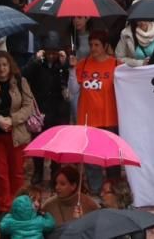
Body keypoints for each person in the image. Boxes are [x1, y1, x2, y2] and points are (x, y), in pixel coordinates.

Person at [0, 51, 37, 217]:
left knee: (16, 172)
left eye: (4, 65)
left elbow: (28, 106)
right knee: (0, 173)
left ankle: (18, 204)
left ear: (10, 66)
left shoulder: (20, 82)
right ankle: (5, 207)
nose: (1, 69)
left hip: (16, 133)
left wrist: (12, 119)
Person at [22, 31, 70, 186]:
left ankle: (56, 172)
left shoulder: (61, 65)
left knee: (57, 144)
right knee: (39, 141)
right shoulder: (37, 64)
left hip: (58, 110)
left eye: (53, 53)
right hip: (41, 109)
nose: (51, 56)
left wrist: (65, 65)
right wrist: (35, 61)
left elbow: (68, 81)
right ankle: (38, 171)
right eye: (48, 53)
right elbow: (24, 75)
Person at [75, 30, 119, 194]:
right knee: (92, 161)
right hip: (87, 119)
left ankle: (114, 192)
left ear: (105, 46)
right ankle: (95, 191)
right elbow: (73, 90)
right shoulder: (82, 64)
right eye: (91, 44)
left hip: (109, 119)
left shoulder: (116, 65)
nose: (93, 48)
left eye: (97, 45)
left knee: (112, 159)